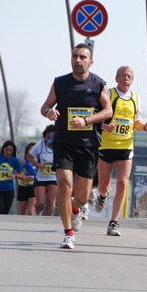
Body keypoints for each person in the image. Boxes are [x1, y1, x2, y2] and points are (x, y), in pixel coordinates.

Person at [41, 43, 112, 249]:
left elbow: (107, 111)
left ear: (91, 62)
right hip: (64, 142)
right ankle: (68, 233)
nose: (77, 60)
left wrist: (87, 120)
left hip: (88, 145)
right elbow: (45, 105)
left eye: (82, 57)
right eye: (74, 56)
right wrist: (49, 112)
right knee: (64, 185)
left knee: (82, 196)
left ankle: (75, 209)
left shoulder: (98, 84)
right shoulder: (60, 83)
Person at [94, 65, 147, 236]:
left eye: (129, 77)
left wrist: (145, 126)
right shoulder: (109, 95)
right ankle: (103, 196)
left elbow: (136, 122)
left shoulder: (136, 98)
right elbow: (96, 116)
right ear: (116, 78)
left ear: (132, 80)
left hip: (126, 146)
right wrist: (104, 126)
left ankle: (113, 222)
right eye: (123, 76)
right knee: (103, 186)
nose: (126, 79)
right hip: (106, 145)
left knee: (122, 184)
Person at [0, 140, 26, 215]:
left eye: (10, 150)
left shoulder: (15, 160)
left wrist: (15, 176)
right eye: (6, 150)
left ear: (13, 151)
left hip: (9, 189)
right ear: (3, 149)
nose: (8, 152)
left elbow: (22, 175)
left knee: (5, 212)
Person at [27, 125, 58, 216]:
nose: (50, 139)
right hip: (40, 178)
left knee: (50, 202)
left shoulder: (59, 146)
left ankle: (45, 221)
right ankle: (38, 213)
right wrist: (38, 165)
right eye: (48, 137)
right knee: (40, 204)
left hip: (53, 178)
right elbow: (29, 156)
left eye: (52, 137)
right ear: (45, 136)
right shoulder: (40, 145)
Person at [17, 142, 36, 215]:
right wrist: (24, 178)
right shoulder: (23, 161)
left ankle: (31, 226)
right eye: (30, 150)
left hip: (34, 188)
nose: (32, 151)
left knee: (31, 211)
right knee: (22, 213)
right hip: (23, 188)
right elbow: (16, 174)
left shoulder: (39, 162)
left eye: (34, 149)